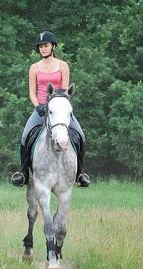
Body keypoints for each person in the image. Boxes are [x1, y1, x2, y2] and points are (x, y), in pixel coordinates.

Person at [10, 31, 90, 187]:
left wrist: (58, 106)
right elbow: (32, 92)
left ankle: (81, 173)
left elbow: (66, 91)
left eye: (45, 46)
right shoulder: (34, 67)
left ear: (53, 46)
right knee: (25, 136)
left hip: (59, 109)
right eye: (40, 46)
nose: (43, 49)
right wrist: (38, 106)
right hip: (40, 108)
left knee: (80, 135)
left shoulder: (63, 65)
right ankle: (23, 172)